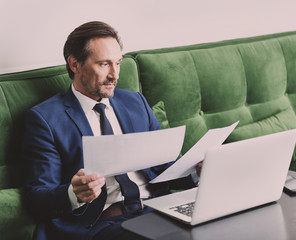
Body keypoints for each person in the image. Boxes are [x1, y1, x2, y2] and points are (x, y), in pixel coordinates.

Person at [22, 21, 198, 240]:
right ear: (75, 64)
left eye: (118, 63)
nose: (115, 74)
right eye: (104, 64)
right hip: (102, 223)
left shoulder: (135, 102)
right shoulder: (45, 119)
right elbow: (37, 196)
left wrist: (196, 170)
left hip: (156, 209)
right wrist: (73, 193)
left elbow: (164, 167)